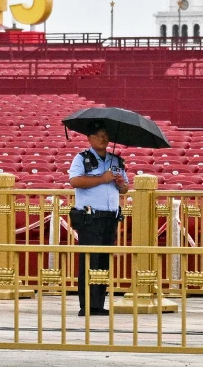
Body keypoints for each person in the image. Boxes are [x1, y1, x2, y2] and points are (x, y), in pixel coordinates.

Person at [67, 123, 129, 317]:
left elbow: (125, 188)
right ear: (90, 138)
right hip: (90, 217)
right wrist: (103, 178)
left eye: (105, 135)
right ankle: (86, 305)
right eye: (98, 135)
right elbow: (75, 181)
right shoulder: (82, 158)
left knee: (103, 261)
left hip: (110, 216)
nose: (102, 139)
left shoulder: (116, 160)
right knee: (89, 260)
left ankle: (98, 303)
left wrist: (120, 183)